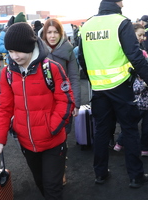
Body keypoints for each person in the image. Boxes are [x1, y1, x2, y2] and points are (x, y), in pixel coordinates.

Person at [78, 0, 148, 188]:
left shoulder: (87, 25)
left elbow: (81, 56)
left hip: (98, 89)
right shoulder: (121, 22)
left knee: (101, 131)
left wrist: (93, 79)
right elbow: (135, 56)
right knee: (129, 129)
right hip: (121, 87)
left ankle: (100, 174)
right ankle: (136, 176)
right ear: (118, 2)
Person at [0, 22, 75, 200]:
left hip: (53, 141)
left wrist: (51, 128)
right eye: (10, 52)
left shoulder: (51, 68)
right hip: (26, 142)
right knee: (41, 183)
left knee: (53, 188)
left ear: (30, 46)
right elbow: (3, 108)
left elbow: (66, 101)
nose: (14, 56)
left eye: (18, 51)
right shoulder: (7, 74)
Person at [38, 18, 81, 186]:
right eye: (49, 32)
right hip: (42, 101)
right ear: (44, 33)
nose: (52, 36)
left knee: (61, 137)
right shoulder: (37, 49)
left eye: (56, 32)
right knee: (43, 135)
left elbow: (74, 77)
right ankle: (46, 171)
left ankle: (60, 170)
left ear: (61, 33)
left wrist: (76, 103)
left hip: (62, 101)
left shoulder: (68, 49)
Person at [113, 23, 148, 156]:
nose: (143, 38)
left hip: (142, 96)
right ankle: (126, 145)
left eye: (143, 35)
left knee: (134, 124)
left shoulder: (141, 52)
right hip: (136, 95)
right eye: (140, 35)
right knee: (133, 124)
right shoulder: (131, 53)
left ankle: (124, 145)